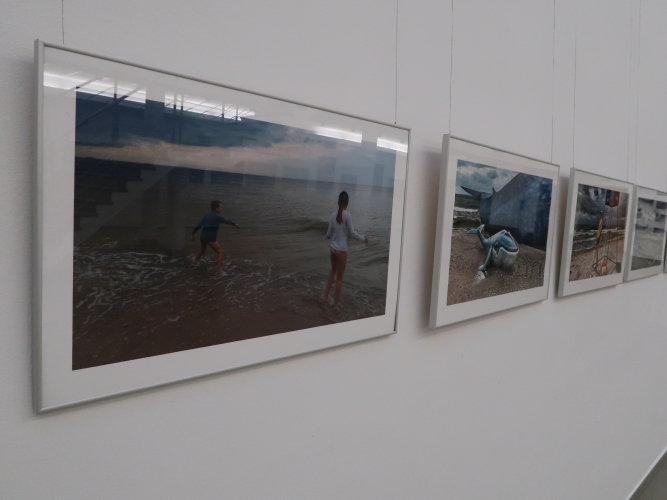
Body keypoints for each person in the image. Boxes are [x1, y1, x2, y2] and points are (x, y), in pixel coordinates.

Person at [321, 191, 368, 309]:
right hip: (341, 251)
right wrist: (363, 239)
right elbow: (352, 233)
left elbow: (328, 234)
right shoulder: (347, 215)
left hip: (332, 250)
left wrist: (330, 237)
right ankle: (335, 305)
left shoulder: (333, 215)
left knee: (332, 271)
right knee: (340, 279)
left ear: (338, 202)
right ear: (347, 203)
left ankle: (325, 297)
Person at [191, 200, 240, 269]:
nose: (222, 208)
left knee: (202, 251)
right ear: (217, 208)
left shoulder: (206, 216)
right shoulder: (218, 217)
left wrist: (192, 234)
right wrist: (235, 224)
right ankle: (218, 270)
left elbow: (199, 225)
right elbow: (227, 221)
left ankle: (194, 263)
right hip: (210, 238)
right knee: (219, 252)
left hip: (203, 237)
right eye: (221, 207)